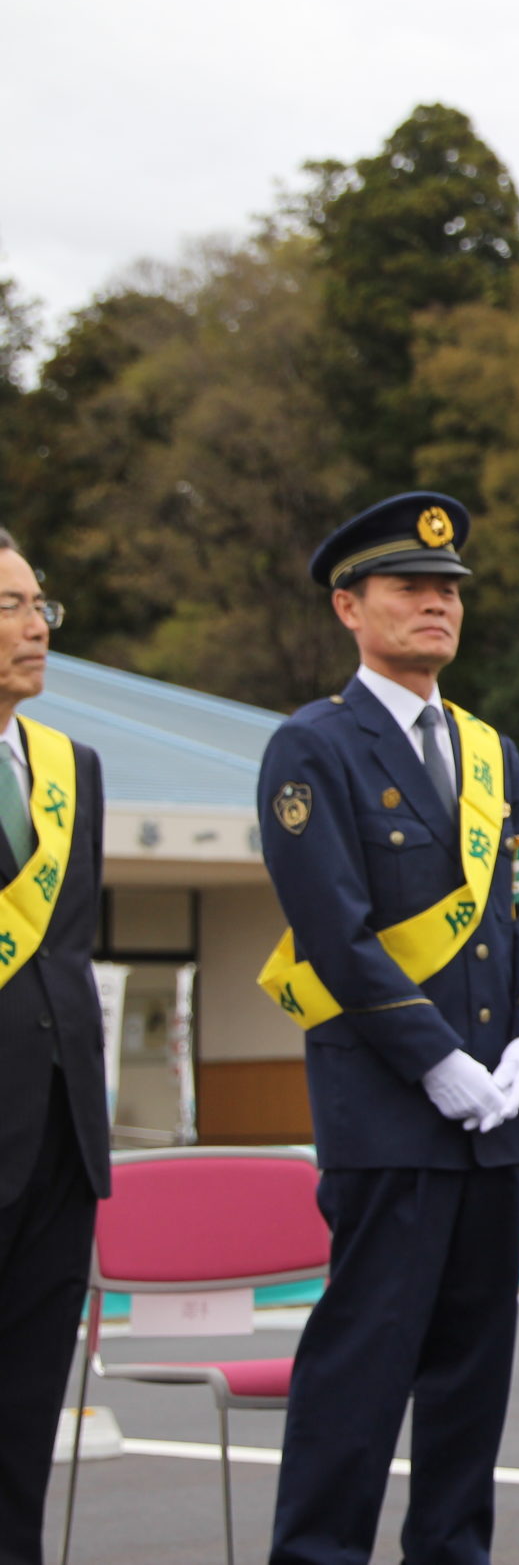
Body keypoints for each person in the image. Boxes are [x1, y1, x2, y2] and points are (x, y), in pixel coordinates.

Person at [256, 492, 519, 1565]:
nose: (438, 604)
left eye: (449, 591)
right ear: (349, 606)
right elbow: (333, 934)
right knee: (365, 1364)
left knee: (473, 1375)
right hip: (391, 1111)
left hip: (500, 1116)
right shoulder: (312, 750)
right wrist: (437, 1063)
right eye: (410, 588)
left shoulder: (491, 754)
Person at [0, 529, 112, 1565]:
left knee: (28, 1414)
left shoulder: (71, 768)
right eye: (10, 606)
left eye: (42, 605)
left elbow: (66, 954)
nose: (37, 627)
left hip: (60, 1141)